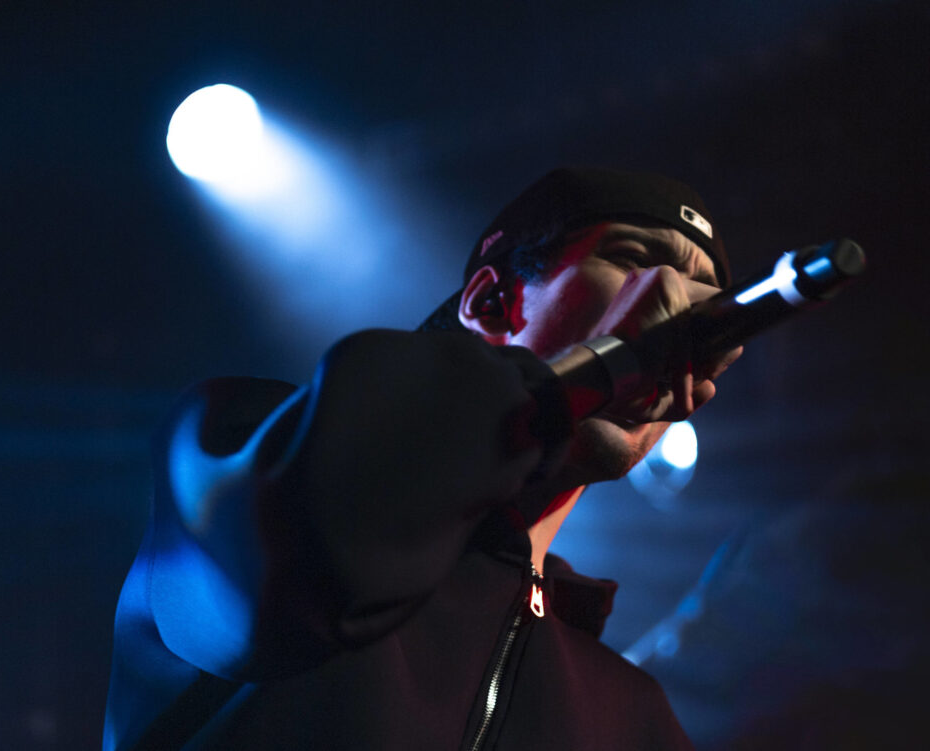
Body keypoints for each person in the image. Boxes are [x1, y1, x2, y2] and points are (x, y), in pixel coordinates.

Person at [103, 167, 742, 750]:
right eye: (634, 261)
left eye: (698, 306)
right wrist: (584, 374)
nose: (669, 315)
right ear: (490, 304)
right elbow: (278, 585)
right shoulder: (253, 448)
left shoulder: (631, 716)